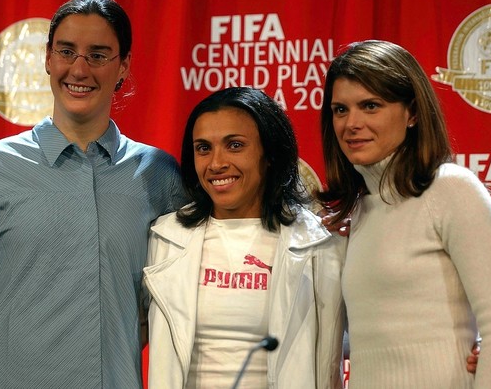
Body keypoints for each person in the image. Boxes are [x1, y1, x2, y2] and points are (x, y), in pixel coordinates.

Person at [0, 0, 185, 388]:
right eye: (67, 51)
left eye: (99, 55)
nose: (79, 69)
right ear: (48, 58)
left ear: (123, 67)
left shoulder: (160, 174)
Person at [317, 40, 491, 388]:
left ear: (412, 112)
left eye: (370, 106)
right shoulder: (359, 210)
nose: (351, 123)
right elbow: (380, 334)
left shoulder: (451, 190)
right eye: (340, 110)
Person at [143, 86, 346, 388]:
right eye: (203, 148)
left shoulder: (319, 243)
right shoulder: (164, 238)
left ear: (270, 155)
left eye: (235, 145)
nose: (216, 163)